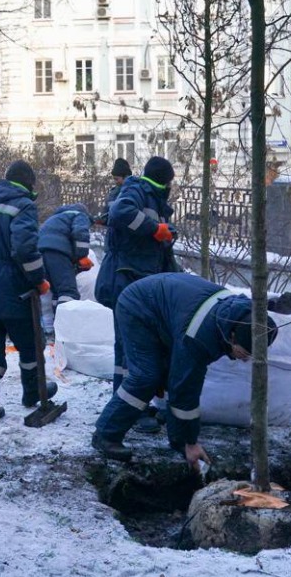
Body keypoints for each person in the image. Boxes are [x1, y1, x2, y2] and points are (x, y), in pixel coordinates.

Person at [91, 273, 279, 467]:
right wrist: (189, 442)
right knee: (146, 376)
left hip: (164, 306)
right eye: (244, 352)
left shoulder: (239, 317)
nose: (245, 359)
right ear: (232, 336)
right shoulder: (201, 337)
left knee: (164, 373)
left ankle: (170, 432)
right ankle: (106, 434)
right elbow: (184, 389)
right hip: (138, 306)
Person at [0, 160, 57, 422]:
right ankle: (33, 393)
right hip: (14, 289)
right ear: (29, 183)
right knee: (30, 344)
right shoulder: (23, 205)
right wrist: (38, 280)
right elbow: (25, 250)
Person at [95, 155, 181, 404]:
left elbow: (156, 247)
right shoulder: (136, 189)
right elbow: (120, 212)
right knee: (129, 347)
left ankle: (132, 405)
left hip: (140, 281)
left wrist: (165, 234)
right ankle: (126, 408)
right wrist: (154, 229)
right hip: (125, 279)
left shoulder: (153, 199)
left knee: (137, 346)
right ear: (164, 181)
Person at [36, 202, 93, 333]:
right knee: (69, 292)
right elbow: (80, 232)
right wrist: (82, 256)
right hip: (58, 253)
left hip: (40, 254)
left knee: (58, 292)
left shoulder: (54, 219)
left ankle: (53, 328)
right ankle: (66, 331)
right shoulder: (79, 215)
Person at [95, 158, 133, 226]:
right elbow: (108, 214)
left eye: (117, 179)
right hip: (113, 233)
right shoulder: (113, 193)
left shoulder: (134, 191)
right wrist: (101, 219)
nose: (115, 182)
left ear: (126, 177)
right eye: (114, 179)